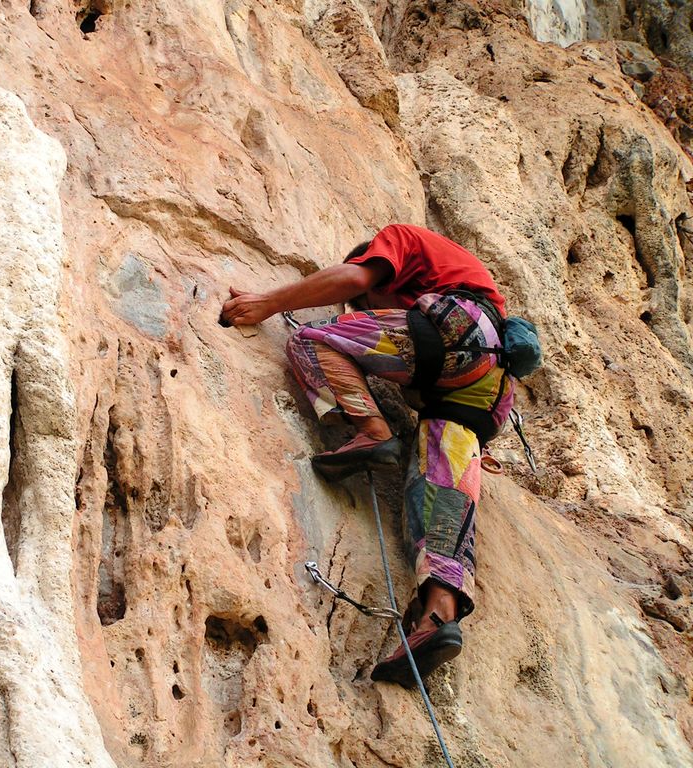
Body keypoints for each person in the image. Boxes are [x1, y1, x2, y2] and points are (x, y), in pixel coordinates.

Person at [220, 223, 515, 686]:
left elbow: (356, 280)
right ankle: (437, 619)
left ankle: (372, 432)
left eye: (370, 310)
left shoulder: (398, 240)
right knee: (443, 492)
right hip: (488, 385)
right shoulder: (464, 285)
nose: (368, 316)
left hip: (458, 330)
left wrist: (268, 304)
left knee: (311, 340)